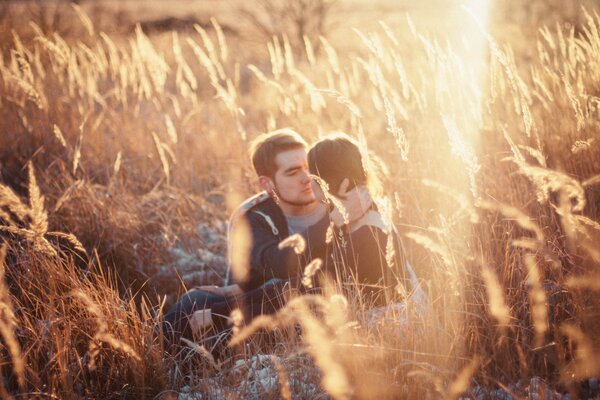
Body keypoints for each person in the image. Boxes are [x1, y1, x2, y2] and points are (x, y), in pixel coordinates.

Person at [160, 129, 371, 348]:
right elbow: (279, 263)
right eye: (293, 172)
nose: (307, 178)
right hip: (266, 296)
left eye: (309, 167)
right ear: (268, 184)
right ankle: (153, 364)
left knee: (229, 332)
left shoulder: (339, 199)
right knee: (193, 302)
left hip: (317, 300)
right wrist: (335, 221)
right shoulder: (253, 216)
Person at [307, 133, 414, 306]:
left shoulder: (370, 233)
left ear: (341, 184)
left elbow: (309, 283)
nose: (309, 183)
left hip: (391, 329)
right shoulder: (356, 219)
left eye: (313, 176)